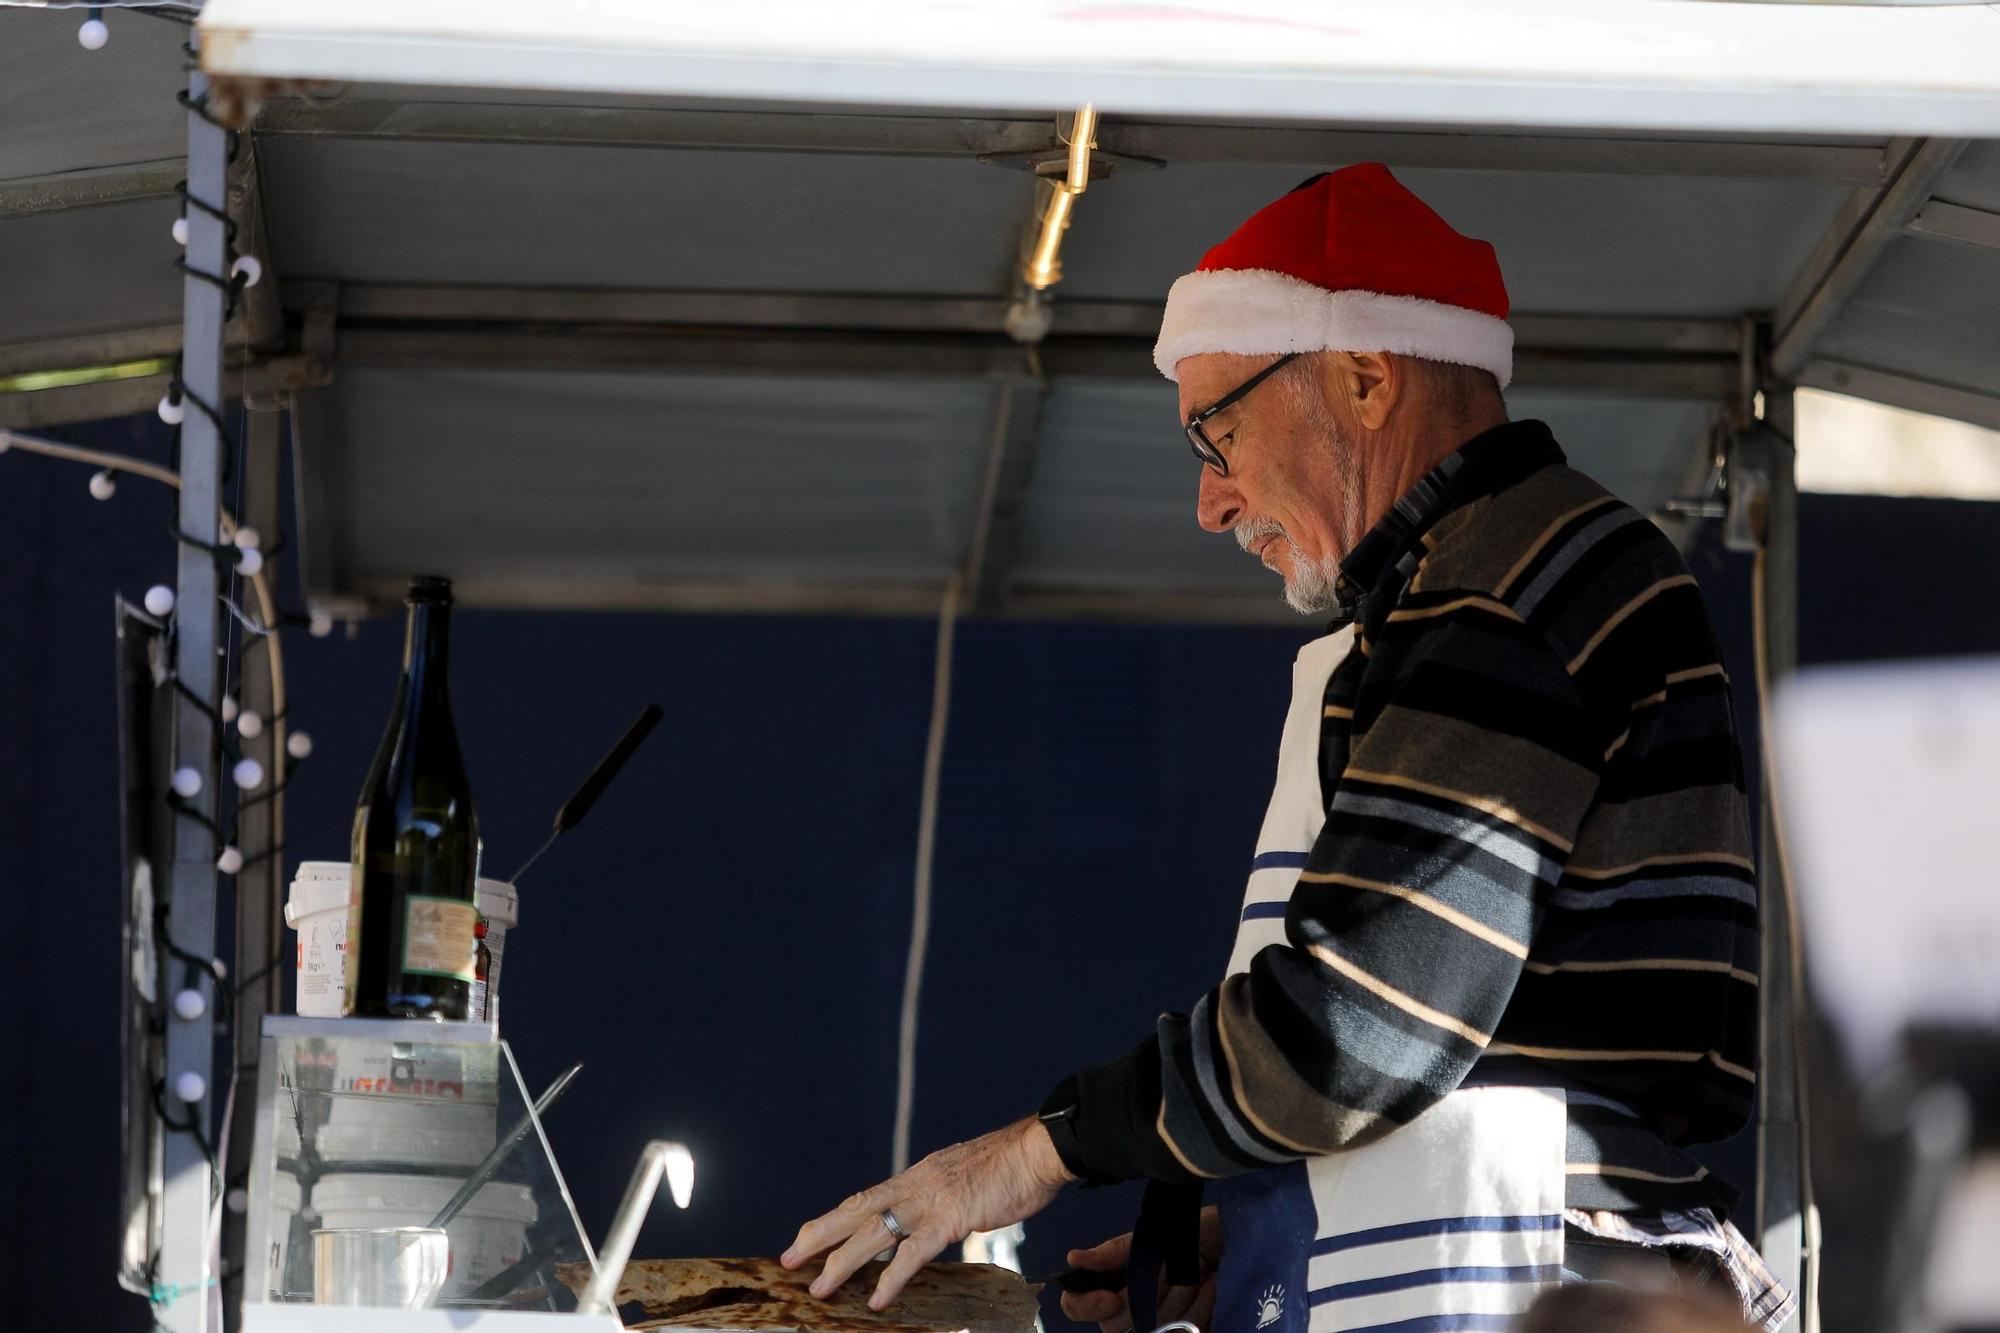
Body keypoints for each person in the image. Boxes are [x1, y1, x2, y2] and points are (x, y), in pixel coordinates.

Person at [781, 163, 1793, 1331]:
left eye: (1219, 434)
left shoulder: (1493, 589)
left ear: (1364, 378)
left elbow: (1355, 1031)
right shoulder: (1496, 579)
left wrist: (1032, 1151)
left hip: (1530, 1289)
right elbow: (1474, 1038)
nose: (1209, 504)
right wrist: (1288, 1225)